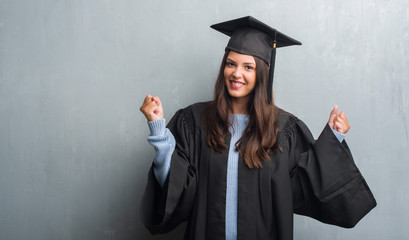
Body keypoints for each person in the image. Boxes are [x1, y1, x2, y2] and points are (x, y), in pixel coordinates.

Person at [139, 16, 376, 240]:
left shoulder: (284, 130)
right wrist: (158, 130)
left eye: (248, 67)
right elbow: (176, 184)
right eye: (231, 64)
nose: (236, 73)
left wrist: (333, 137)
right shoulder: (195, 121)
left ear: (262, 73)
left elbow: (303, 185)